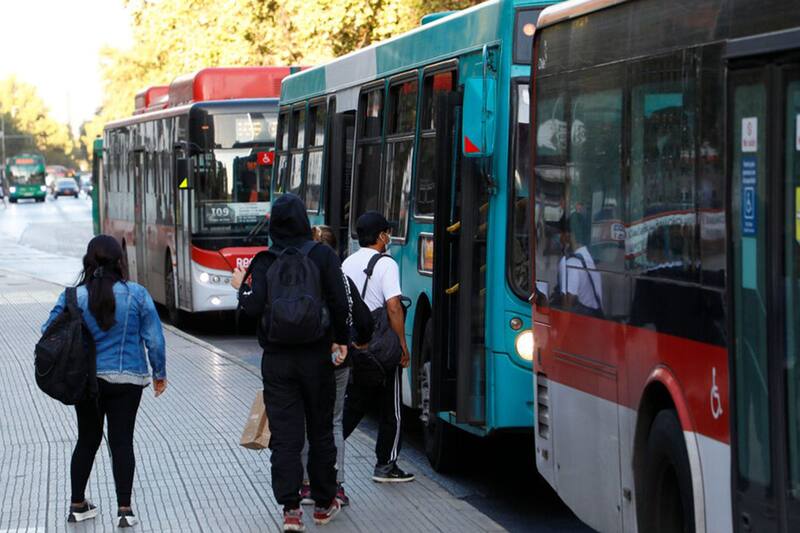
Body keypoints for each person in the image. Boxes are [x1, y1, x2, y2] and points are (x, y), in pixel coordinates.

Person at [233, 194, 349, 532]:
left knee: (285, 436)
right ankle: (325, 503)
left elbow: (250, 310)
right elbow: (340, 303)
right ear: (303, 221)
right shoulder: (323, 255)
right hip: (316, 358)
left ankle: (290, 509)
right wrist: (341, 341)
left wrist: (242, 289)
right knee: (320, 429)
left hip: (278, 362)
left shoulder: (265, 260)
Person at [41, 235, 167, 528]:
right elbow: (155, 339)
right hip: (128, 380)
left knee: (87, 439)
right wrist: (159, 374)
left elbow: (48, 330)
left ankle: (77, 505)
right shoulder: (137, 294)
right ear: (119, 262)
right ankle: (125, 509)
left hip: (86, 382)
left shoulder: (73, 297)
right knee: (122, 441)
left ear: (89, 261)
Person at [299, 225, 373, 507]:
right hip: (338, 360)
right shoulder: (342, 280)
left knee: (306, 421)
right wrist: (356, 342)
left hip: (305, 359)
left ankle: (305, 485)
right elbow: (363, 321)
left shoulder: (297, 275)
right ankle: (336, 486)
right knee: (333, 422)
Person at [341, 211, 415, 483]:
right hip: (383, 345)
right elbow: (393, 306)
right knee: (391, 407)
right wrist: (402, 344)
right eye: (387, 231)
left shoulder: (347, 263)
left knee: (354, 403)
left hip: (357, 345)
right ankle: (385, 465)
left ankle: (325, 448)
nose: (389, 236)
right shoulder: (387, 264)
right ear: (381, 235)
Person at [558, 212, 603, 317]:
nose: (560, 237)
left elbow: (567, 305)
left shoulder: (571, 263)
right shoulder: (589, 257)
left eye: (561, 233)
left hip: (583, 322)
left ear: (569, 235)